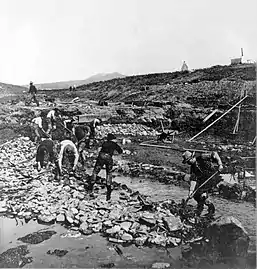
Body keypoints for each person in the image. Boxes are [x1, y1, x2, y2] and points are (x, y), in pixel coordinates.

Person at [182, 150, 223, 216]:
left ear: (192, 157)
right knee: (196, 194)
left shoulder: (202, 157)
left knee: (202, 193)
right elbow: (193, 179)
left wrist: (220, 164)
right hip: (203, 179)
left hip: (212, 176)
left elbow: (214, 153)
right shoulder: (193, 168)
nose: (188, 163)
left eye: (188, 161)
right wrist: (191, 191)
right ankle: (200, 207)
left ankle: (211, 209)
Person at [90, 133, 123, 201]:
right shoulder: (114, 144)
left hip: (101, 156)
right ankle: (108, 186)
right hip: (108, 157)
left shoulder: (104, 143)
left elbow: (99, 148)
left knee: (96, 171)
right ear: (113, 139)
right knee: (109, 172)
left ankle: (91, 184)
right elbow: (120, 151)